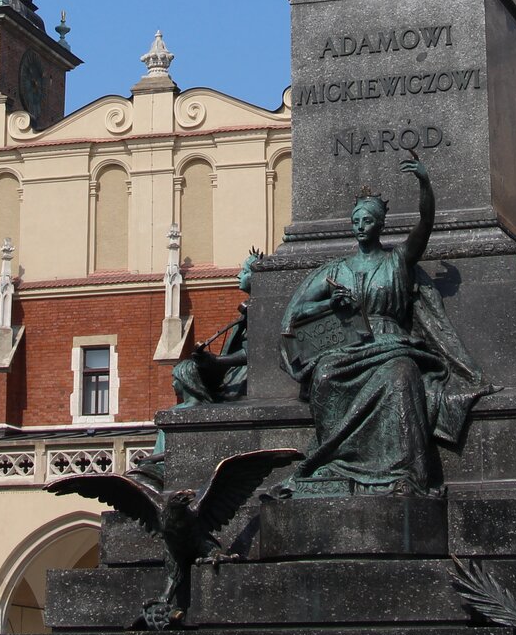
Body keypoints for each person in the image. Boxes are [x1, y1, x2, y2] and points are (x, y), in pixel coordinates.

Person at [279, 158, 488, 496]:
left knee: (401, 376)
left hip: (392, 343)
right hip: (349, 346)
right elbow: (299, 311)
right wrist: (330, 304)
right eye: (356, 221)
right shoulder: (337, 270)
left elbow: (425, 226)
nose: (361, 226)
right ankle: (336, 461)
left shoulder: (398, 260)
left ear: (380, 225)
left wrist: (425, 186)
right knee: (326, 375)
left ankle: (404, 471)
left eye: (368, 220)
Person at [171, 250, 260, 405]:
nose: (239, 275)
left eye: (245, 271)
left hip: (249, 378)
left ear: (257, 276)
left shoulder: (261, 310)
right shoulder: (250, 309)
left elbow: (254, 352)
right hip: (236, 373)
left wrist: (216, 360)